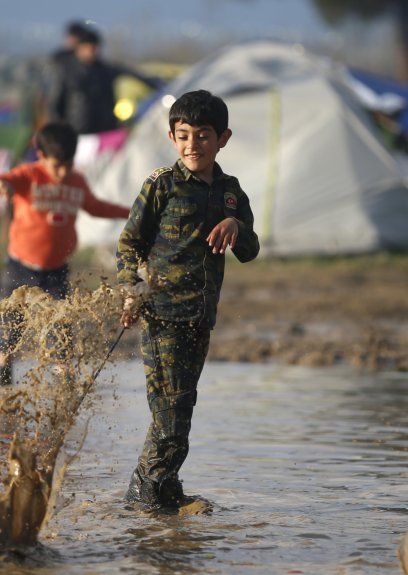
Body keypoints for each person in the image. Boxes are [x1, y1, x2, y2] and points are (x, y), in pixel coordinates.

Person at [117, 89, 260, 510]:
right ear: (172, 137)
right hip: (162, 317)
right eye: (183, 136)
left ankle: (154, 492)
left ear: (223, 139)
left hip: (201, 319)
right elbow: (129, 244)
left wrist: (235, 224)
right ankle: (152, 499)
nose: (192, 145)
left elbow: (250, 251)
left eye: (202, 136)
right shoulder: (161, 184)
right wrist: (132, 290)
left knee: (179, 410)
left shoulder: (231, 192)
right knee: (170, 417)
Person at [0, 121, 131, 385]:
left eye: (68, 165)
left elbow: (95, 207)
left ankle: (64, 387)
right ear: (41, 156)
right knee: (9, 328)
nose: (62, 172)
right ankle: (5, 382)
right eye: (56, 165)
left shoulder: (77, 181)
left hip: (56, 272)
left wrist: (130, 212)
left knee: (60, 330)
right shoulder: (29, 175)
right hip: (20, 267)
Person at [45, 26, 160, 135]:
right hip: (77, 133)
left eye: (94, 48)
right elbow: (55, 104)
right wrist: (60, 131)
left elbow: (131, 73)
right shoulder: (66, 72)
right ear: (79, 49)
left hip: (105, 132)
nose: (91, 52)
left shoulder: (105, 71)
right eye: (88, 48)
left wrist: (155, 84)